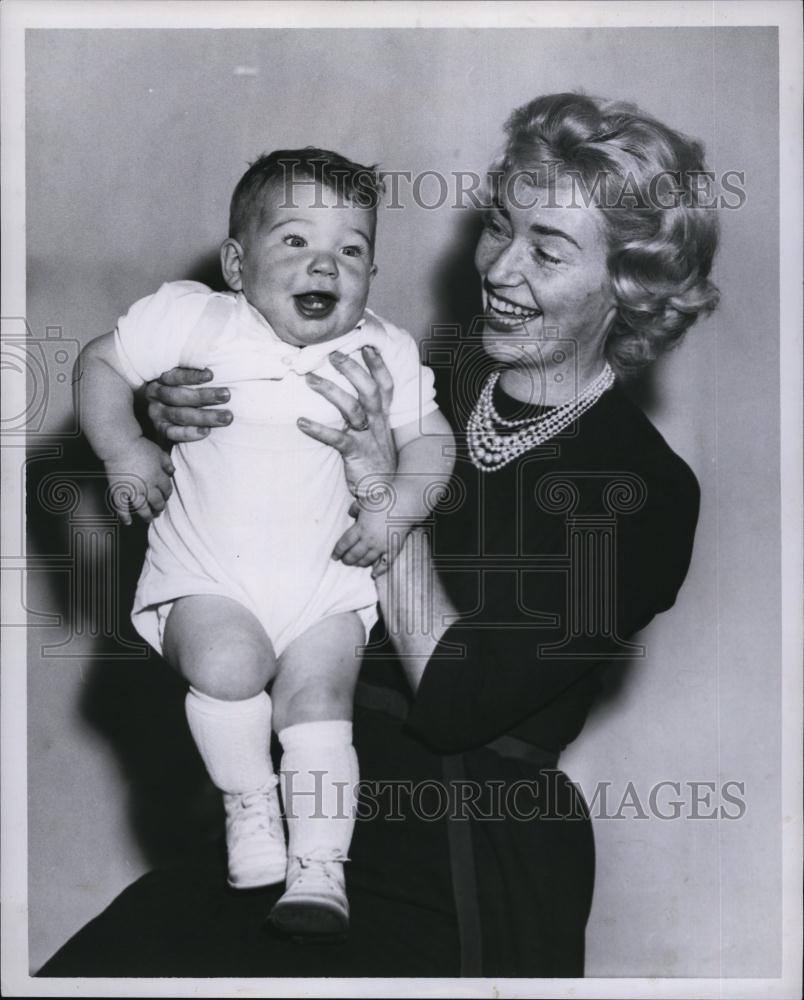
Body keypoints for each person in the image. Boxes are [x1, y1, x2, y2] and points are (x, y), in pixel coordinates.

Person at [42, 92, 718, 977]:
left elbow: (456, 700)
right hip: (296, 811)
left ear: (627, 288)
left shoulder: (642, 493)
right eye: (499, 227)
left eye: (547, 250)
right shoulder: (416, 373)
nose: (501, 268)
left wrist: (376, 484)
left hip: (458, 859)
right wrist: (172, 409)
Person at [73, 147, 454, 937]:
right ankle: (250, 803)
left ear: (372, 273)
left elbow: (433, 443)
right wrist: (123, 447)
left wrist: (394, 513)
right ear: (236, 265)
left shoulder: (385, 350)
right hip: (208, 573)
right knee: (229, 666)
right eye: (295, 242)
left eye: (351, 249)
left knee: (320, 704)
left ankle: (320, 868)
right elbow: (100, 363)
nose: (326, 263)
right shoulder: (197, 319)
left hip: (322, 584)